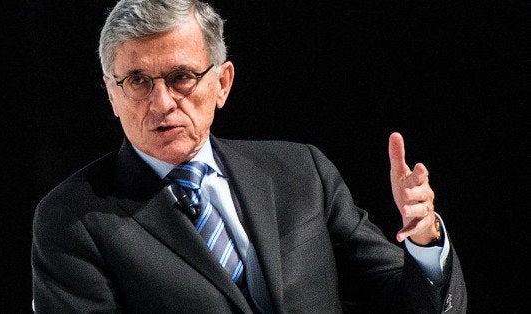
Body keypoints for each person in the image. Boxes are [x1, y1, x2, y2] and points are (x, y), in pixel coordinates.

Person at [31, 0, 467, 312]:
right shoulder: (72, 219)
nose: (161, 102)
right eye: (139, 81)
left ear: (222, 83)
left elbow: (405, 301)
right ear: (112, 93)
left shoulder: (301, 173)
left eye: (181, 76)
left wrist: (425, 241)